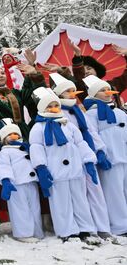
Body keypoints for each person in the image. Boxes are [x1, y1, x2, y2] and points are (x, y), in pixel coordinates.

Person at [29, 87, 98, 242]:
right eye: (50, 106)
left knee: (80, 200)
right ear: (42, 108)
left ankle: (85, 228)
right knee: (61, 203)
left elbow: (80, 144)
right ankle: (67, 230)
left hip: (75, 170)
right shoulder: (38, 127)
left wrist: (88, 161)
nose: (54, 109)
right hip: (56, 172)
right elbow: (36, 148)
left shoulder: (68, 125)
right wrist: (41, 168)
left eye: (56, 105)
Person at [49, 73, 113, 239]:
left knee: (95, 192)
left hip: (87, 155)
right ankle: (79, 228)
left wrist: (99, 150)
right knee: (77, 196)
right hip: (71, 160)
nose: (72, 93)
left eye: (73, 90)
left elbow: (90, 131)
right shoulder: (56, 112)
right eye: (68, 91)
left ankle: (101, 227)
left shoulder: (78, 110)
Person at [82, 75, 127, 236]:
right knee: (114, 193)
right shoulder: (91, 115)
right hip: (110, 159)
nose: (107, 92)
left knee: (125, 189)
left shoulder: (120, 112)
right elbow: (92, 135)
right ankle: (119, 225)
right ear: (94, 94)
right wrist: (100, 153)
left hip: (124, 157)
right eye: (102, 90)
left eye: (108, 89)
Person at [0, 119, 44, 242]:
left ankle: (37, 231)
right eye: (10, 134)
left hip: (31, 182)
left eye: (16, 133)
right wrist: (6, 181)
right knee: (20, 209)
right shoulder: (5, 152)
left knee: (34, 207)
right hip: (16, 184)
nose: (13, 136)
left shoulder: (26, 147)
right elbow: (3, 166)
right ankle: (24, 233)